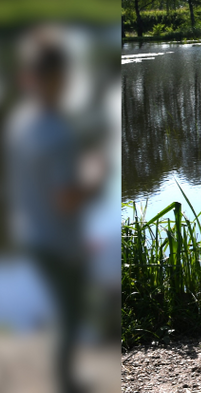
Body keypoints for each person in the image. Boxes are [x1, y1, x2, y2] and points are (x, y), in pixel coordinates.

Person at [5, 26, 102, 393]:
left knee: (60, 310)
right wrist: (94, 178)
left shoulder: (20, 123)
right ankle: (66, 383)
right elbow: (66, 199)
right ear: (60, 78)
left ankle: (60, 374)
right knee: (71, 316)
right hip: (59, 241)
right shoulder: (59, 133)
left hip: (30, 232)